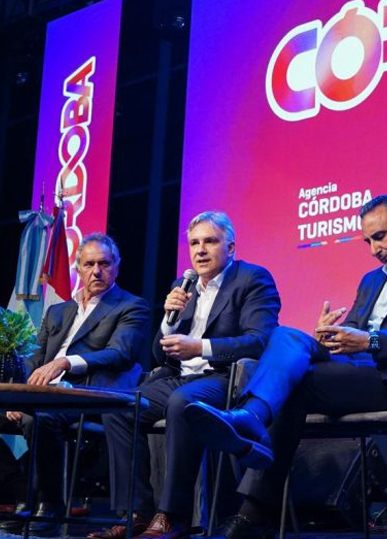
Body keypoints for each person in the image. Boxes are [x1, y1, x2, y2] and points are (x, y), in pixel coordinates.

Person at [183, 194, 387, 539]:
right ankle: (252, 419)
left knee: (294, 384)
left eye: (379, 237)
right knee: (288, 337)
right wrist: (329, 336)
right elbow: (353, 332)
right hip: (353, 371)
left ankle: (253, 504)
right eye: (367, 241)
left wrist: (371, 341)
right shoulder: (372, 280)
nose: (373, 249)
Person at [89, 211, 281, 539]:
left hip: (224, 378)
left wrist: (201, 347)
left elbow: (260, 340)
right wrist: (170, 321)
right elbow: (158, 354)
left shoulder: (251, 279)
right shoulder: (183, 286)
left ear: (230, 247)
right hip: (179, 379)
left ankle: (173, 515)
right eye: (194, 243)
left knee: (182, 403)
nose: (200, 250)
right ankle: (136, 512)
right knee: (120, 406)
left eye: (210, 241)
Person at [0, 233, 149, 535]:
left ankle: (50, 504)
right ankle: (23, 492)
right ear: (78, 268)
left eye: (104, 264)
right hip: (38, 394)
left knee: (38, 417)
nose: (96, 271)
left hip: (84, 394)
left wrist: (66, 362)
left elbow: (120, 353)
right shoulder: (58, 311)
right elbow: (34, 358)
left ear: (117, 266)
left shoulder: (131, 306)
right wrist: (19, 395)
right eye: (89, 264)